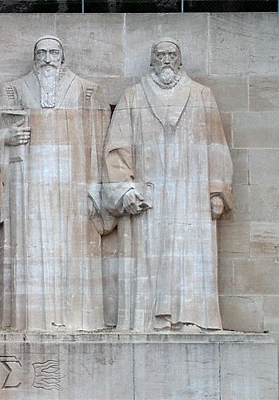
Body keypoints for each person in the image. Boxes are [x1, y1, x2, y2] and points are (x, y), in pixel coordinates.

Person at [103, 38, 234, 331]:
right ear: (152, 60)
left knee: (190, 255)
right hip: (150, 194)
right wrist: (125, 189)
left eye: (171, 55)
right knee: (150, 255)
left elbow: (217, 146)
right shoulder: (133, 96)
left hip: (192, 192)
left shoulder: (202, 95)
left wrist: (217, 191)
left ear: (179, 60)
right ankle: (150, 319)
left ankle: (193, 317)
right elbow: (117, 149)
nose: (165, 59)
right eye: (160, 55)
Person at [0, 35, 110, 331]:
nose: (47, 58)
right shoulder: (12, 90)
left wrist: (96, 186)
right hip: (27, 188)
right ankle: (30, 318)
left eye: (53, 52)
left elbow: (100, 142)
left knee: (74, 249)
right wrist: (6, 138)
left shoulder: (86, 91)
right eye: (41, 52)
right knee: (30, 247)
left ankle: (77, 318)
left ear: (62, 57)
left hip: (73, 186)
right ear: (34, 58)